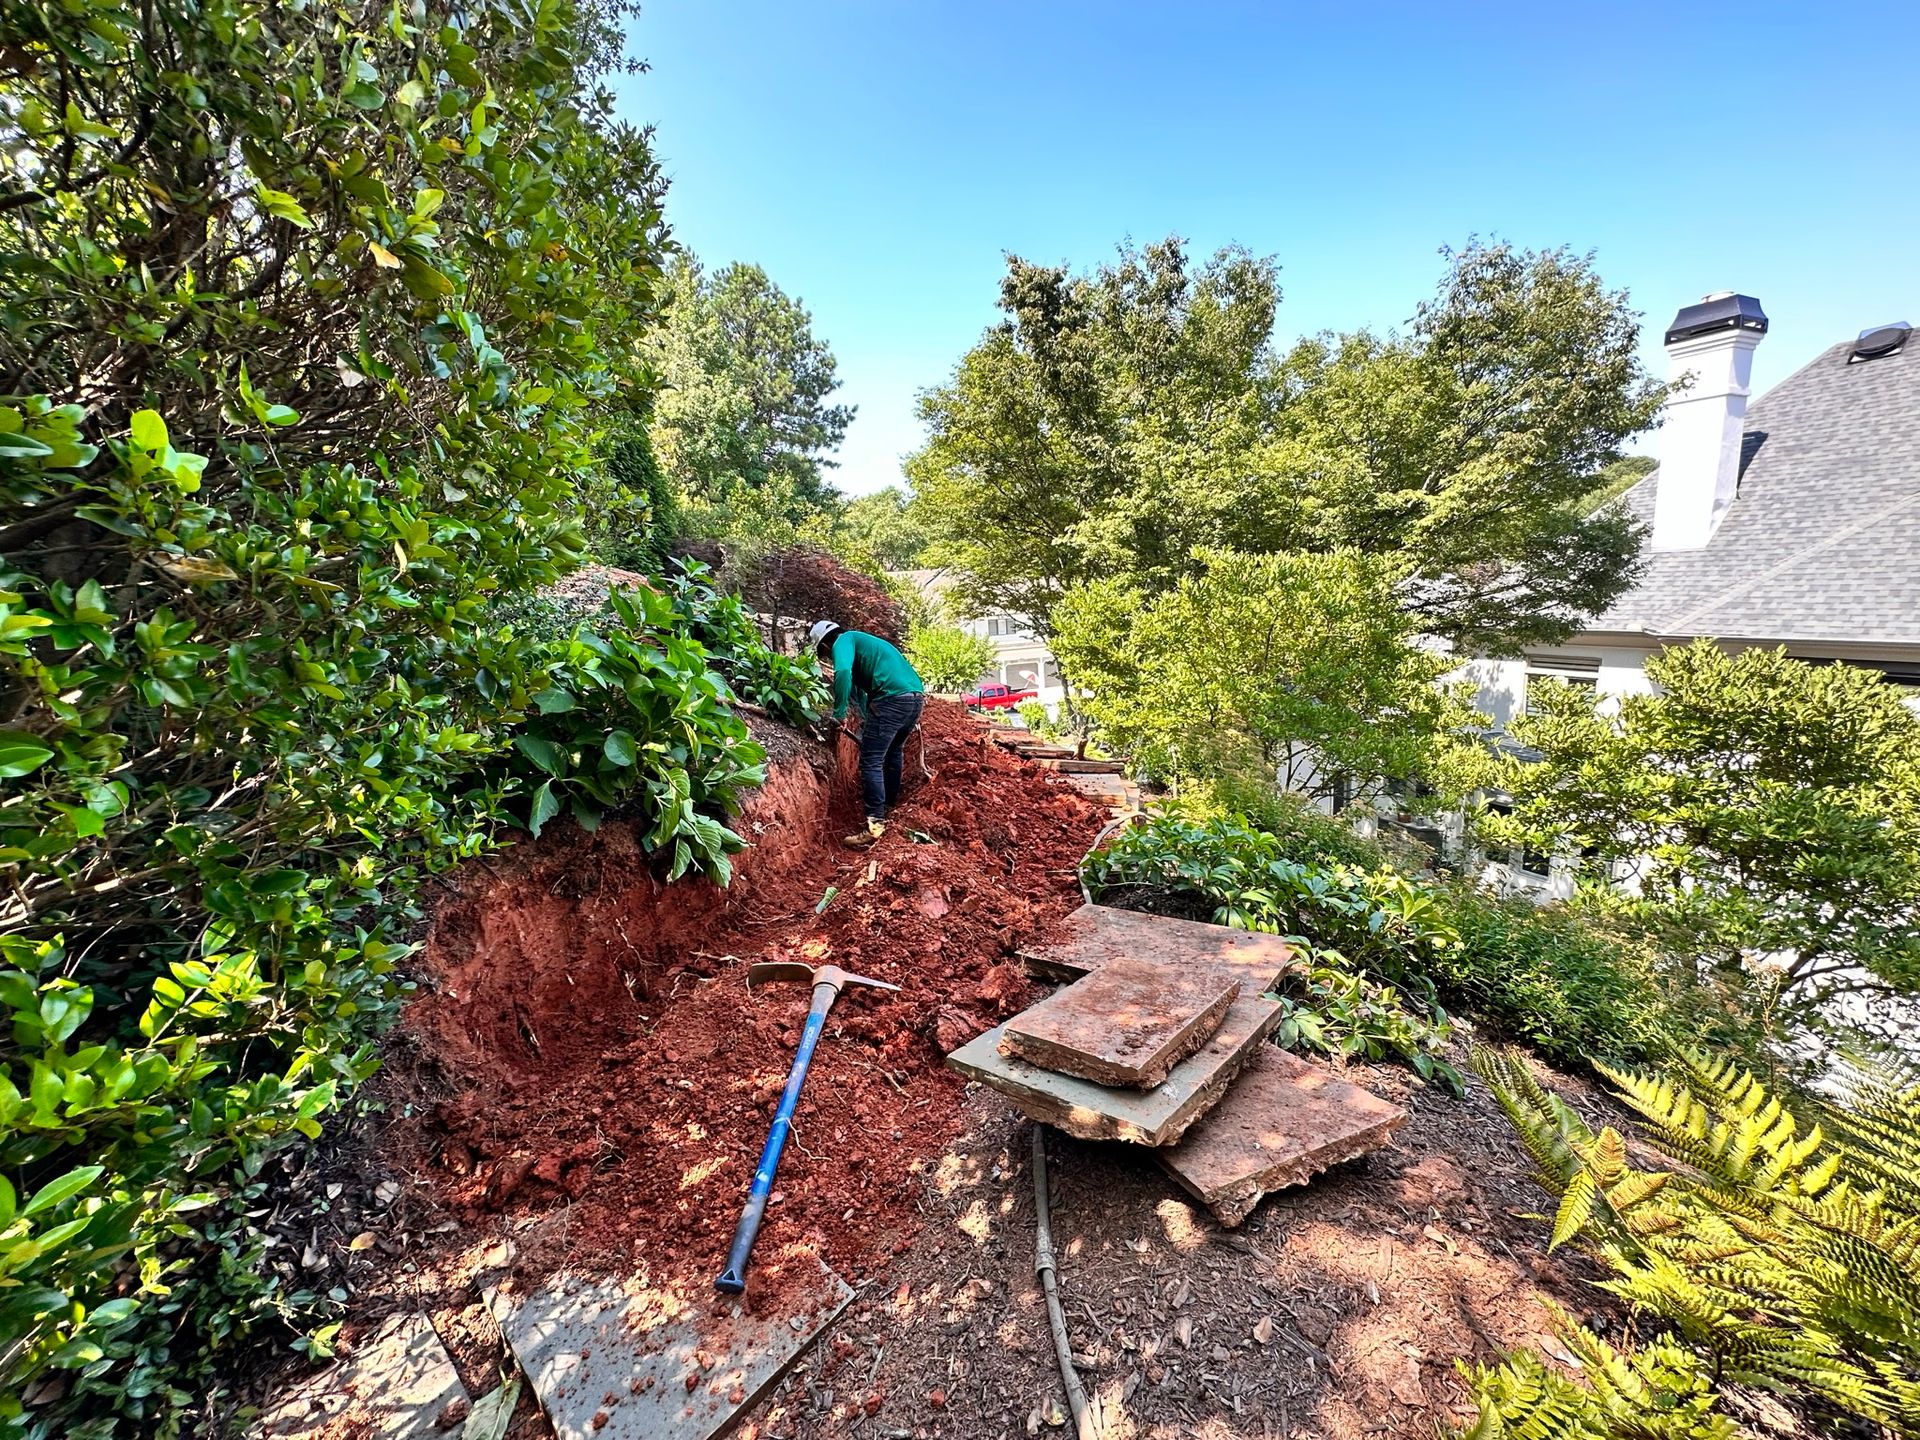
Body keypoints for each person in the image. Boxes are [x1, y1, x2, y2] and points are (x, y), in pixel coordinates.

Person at [808, 620, 925, 848]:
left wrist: (840, 713)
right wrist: (863, 719)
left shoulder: (843, 640)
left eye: (824, 654)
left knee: (871, 761)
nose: (827, 659)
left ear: (825, 644)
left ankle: (875, 826)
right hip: (915, 699)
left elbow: (843, 672)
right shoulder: (865, 645)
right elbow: (859, 690)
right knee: (893, 752)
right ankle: (889, 806)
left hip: (891, 700)